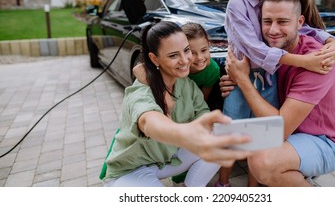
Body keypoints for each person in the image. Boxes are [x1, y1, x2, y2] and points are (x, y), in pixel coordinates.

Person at [216, 0, 335, 187]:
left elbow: (304, 27)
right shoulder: (238, 3)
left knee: (263, 136)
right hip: (242, 76)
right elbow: (254, 49)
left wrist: (331, 40)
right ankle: (222, 183)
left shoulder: (268, 2)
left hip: (266, 78)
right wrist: (303, 61)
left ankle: (255, 189)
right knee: (231, 135)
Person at [100, 21, 252, 187]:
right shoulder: (141, 91)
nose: (185, 60)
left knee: (222, 138)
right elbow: (149, 121)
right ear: (154, 59)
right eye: (173, 55)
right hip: (132, 169)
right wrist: (185, 132)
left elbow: (202, 113)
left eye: (186, 51)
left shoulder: (187, 85)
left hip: (166, 161)